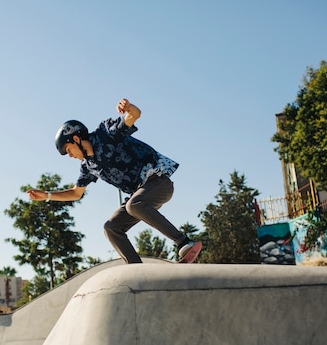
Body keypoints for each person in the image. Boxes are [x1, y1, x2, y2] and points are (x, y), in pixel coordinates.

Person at [27, 98, 202, 264]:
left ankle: (184, 242)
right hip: (140, 195)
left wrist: (128, 107)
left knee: (133, 204)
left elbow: (134, 116)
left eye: (69, 150)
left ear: (76, 139)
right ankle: (136, 270)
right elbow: (76, 193)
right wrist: (47, 196)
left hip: (158, 182)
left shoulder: (106, 134)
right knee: (111, 227)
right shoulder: (88, 166)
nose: (70, 155)